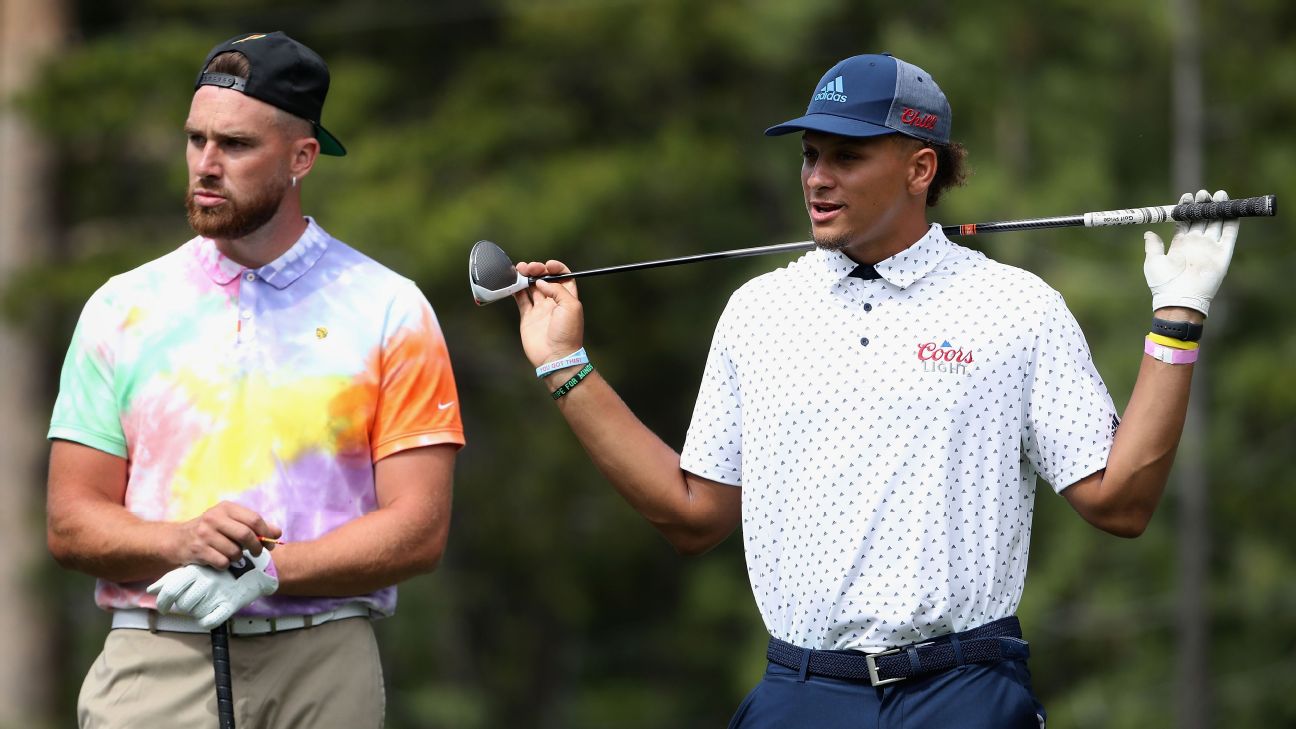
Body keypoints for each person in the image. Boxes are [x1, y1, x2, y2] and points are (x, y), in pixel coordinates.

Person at [510, 53, 1236, 728]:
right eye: (809, 155)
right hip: (801, 692)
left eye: (847, 156)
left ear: (920, 167)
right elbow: (693, 515)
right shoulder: (758, 313)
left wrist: (1178, 316)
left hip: (964, 691)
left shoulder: (1017, 307)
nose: (818, 177)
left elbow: (1121, 502)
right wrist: (564, 363)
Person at [46, 31, 464, 729]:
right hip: (156, 661)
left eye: (235, 145)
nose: (205, 165)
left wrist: (269, 570)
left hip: (323, 660)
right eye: (195, 140)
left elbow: (419, 530)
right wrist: (179, 540)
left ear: (302, 158)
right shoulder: (120, 306)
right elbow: (69, 522)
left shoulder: (390, 308)